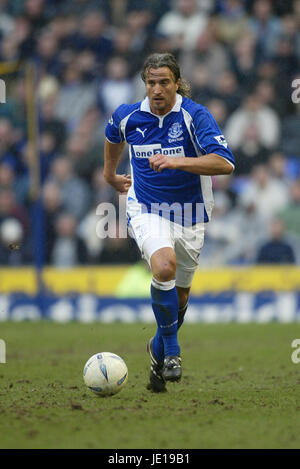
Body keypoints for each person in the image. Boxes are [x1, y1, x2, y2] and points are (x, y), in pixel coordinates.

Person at [104, 52, 235, 392]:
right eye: (151, 82)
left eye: (164, 82)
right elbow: (112, 135)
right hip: (147, 208)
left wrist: (179, 162)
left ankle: (158, 350)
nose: (157, 89)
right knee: (164, 268)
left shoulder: (195, 115)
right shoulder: (128, 115)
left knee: (180, 300)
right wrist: (110, 174)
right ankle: (173, 352)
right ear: (144, 84)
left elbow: (225, 163)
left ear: (177, 83)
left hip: (191, 214)